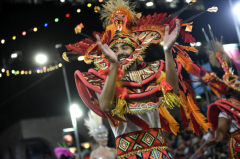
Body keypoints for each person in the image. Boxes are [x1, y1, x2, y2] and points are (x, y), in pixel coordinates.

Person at [65, 0, 215, 158]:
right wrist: (114, 66)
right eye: (114, 49)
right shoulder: (103, 80)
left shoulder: (153, 73)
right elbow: (106, 105)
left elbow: (173, 90)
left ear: (135, 49)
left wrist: (168, 51)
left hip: (159, 153)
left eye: (124, 47)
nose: (120, 52)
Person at [200, 25, 240, 158]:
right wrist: (217, 138)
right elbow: (222, 129)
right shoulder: (226, 107)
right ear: (231, 91)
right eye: (236, 89)